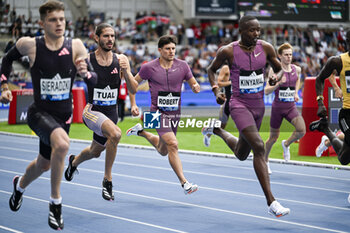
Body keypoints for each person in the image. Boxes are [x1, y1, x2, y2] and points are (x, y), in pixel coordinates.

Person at [0, 1, 90, 230]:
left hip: (64, 117)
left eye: (62, 19)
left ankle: (19, 186)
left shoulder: (76, 46)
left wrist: (86, 74)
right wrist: (3, 88)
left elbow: (94, 80)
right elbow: (7, 59)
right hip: (39, 112)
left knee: (44, 165)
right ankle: (55, 204)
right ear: (42, 23)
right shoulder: (29, 45)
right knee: (62, 145)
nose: (59, 23)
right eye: (53, 19)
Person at [201, 15, 290, 217]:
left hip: (259, 106)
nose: (256, 34)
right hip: (238, 105)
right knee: (259, 147)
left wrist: (276, 77)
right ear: (241, 30)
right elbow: (211, 70)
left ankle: (216, 129)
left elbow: (279, 68)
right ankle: (272, 202)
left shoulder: (266, 48)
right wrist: (216, 91)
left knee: (242, 154)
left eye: (258, 30)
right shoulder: (228, 51)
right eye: (252, 30)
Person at [64, 23, 138, 201]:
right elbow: (68, 79)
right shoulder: (87, 60)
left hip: (111, 114)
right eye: (106, 36)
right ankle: (108, 180)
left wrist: (126, 71)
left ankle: (73, 162)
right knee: (116, 134)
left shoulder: (120, 60)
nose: (110, 39)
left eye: (112, 36)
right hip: (92, 111)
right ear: (96, 38)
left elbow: (134, 87)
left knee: (95, 151)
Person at [125, 35, 200, 194]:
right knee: (173, 144)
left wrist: (195, 86)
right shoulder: (148, 67)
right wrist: (133, 104)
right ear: (160, 50)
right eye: (168, 49)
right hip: (155, 112)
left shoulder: (183, 66)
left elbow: (192, 81)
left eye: (173, 48)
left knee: (163, 149)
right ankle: (184, 183)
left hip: (175, 113)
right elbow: (132, 85)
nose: (171, 51)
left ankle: (141, 132)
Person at [309, 30, 350, 167]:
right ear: (347, 43)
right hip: (347, 114)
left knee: (344, 159)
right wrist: (320, 102)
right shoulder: (338, 61)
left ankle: (325, 129)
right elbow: (320, 79)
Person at [264, 43, 305, 173]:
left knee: (302, 130)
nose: (289, 57)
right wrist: (277, 84)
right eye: (286, 55)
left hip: (290, 107)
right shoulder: (274, 71)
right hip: (278, 108)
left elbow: (298, 79)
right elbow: (266, 91)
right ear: (279, 56)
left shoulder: (296, 69)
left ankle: (286, 144)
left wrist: (295, 92)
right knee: (273, 138)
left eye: (290, 54)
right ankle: (265, 161)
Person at [203, 64, 230, 147]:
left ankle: (246, 149)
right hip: (228, 100)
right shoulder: (226, 68)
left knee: (243, 125)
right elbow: (219, 83)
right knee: (222, 126)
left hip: (239, 101)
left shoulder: (243, 67)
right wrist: (232, 82)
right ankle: (209, 131)